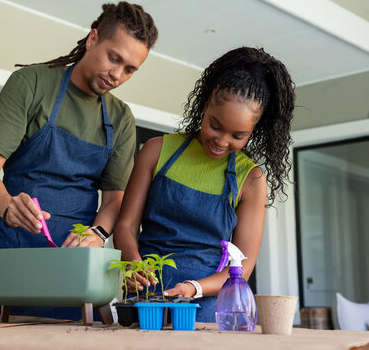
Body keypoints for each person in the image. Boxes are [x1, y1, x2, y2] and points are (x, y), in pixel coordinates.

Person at [0, 2, 158, 319]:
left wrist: (97, 234)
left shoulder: (121, 118)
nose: (117, 75)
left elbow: (115, 199)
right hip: (15, 259)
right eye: (114, 58)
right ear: (93, 39)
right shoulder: (31, 84)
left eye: (129, 69)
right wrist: (8, 206)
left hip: (78, 270)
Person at [113, 47, 295, 322]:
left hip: (209, 308)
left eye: (238, 135)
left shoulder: (251, 180)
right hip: (146, 297)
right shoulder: (155, 151)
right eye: (215, 125)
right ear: (205, 104)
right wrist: (132, 261)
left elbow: (241, 269)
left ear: (254, 131)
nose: (222, 141)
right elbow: (126, 226)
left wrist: (194, 288)